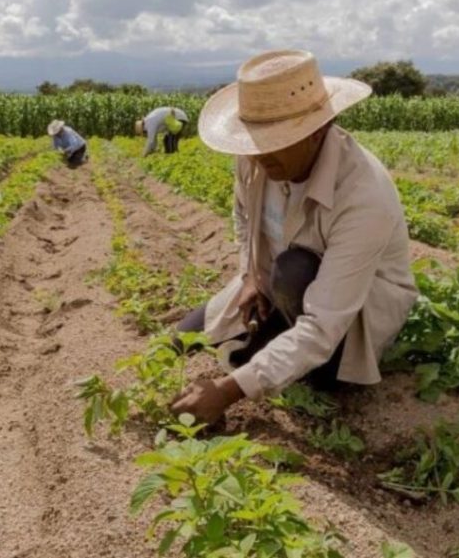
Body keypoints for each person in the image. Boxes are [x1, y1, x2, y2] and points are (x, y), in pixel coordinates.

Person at [170, 49, 419, 425]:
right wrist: (251, 274)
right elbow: (242, 216)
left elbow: (322, 327)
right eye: (254, 141)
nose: (259, 155)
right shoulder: (253, 159)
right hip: (277, 285)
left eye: (275, 140)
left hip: (348, 314)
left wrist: (226, 391)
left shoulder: (364, 197)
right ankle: (273, 334)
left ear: (317, 130)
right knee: (177, 340)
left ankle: (317, 372)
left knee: (294, 269)